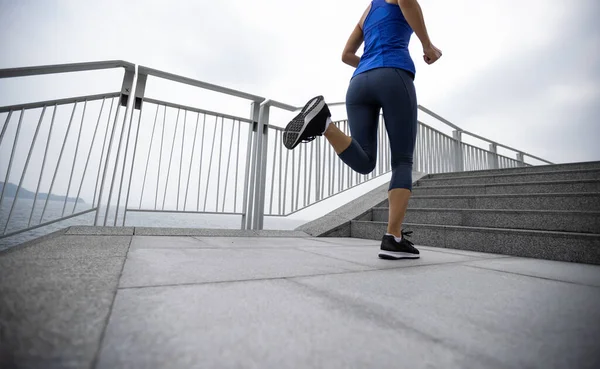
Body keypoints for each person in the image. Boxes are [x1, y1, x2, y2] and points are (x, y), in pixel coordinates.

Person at [283, 0, 442, 260]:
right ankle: (394, 237)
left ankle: (323, 124)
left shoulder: (366, 11)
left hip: (358, 83)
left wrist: (370, 64)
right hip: (393, 75)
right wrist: (428, 45)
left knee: (366, 160)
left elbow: (346, 55)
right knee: (402, 161)